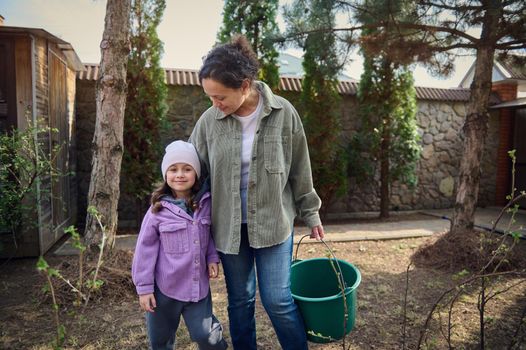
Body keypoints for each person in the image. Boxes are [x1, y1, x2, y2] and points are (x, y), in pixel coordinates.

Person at [189, 35, 325, 350]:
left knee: (278, 299)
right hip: (230, 227)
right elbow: (193, 171)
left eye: (220, 96)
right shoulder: (210, 122)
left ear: (246, 85)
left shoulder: (283, 112)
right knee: (240, 299)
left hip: (274, 223)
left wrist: (311, 211)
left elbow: (299, 167)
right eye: (209, 96)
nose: (214, 104)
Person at [131, 140, 228, 350]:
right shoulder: (157, 211)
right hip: (163, 291)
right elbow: (144, 252)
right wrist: (144, 289)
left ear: (196, 174)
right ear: (166, 175)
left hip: (197, 288)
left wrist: (212, 257)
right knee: (160, 341)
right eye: (173, 169)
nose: (180, 174)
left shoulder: (205, 204)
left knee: (206, 336)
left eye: (187, 169)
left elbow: (208, 233)